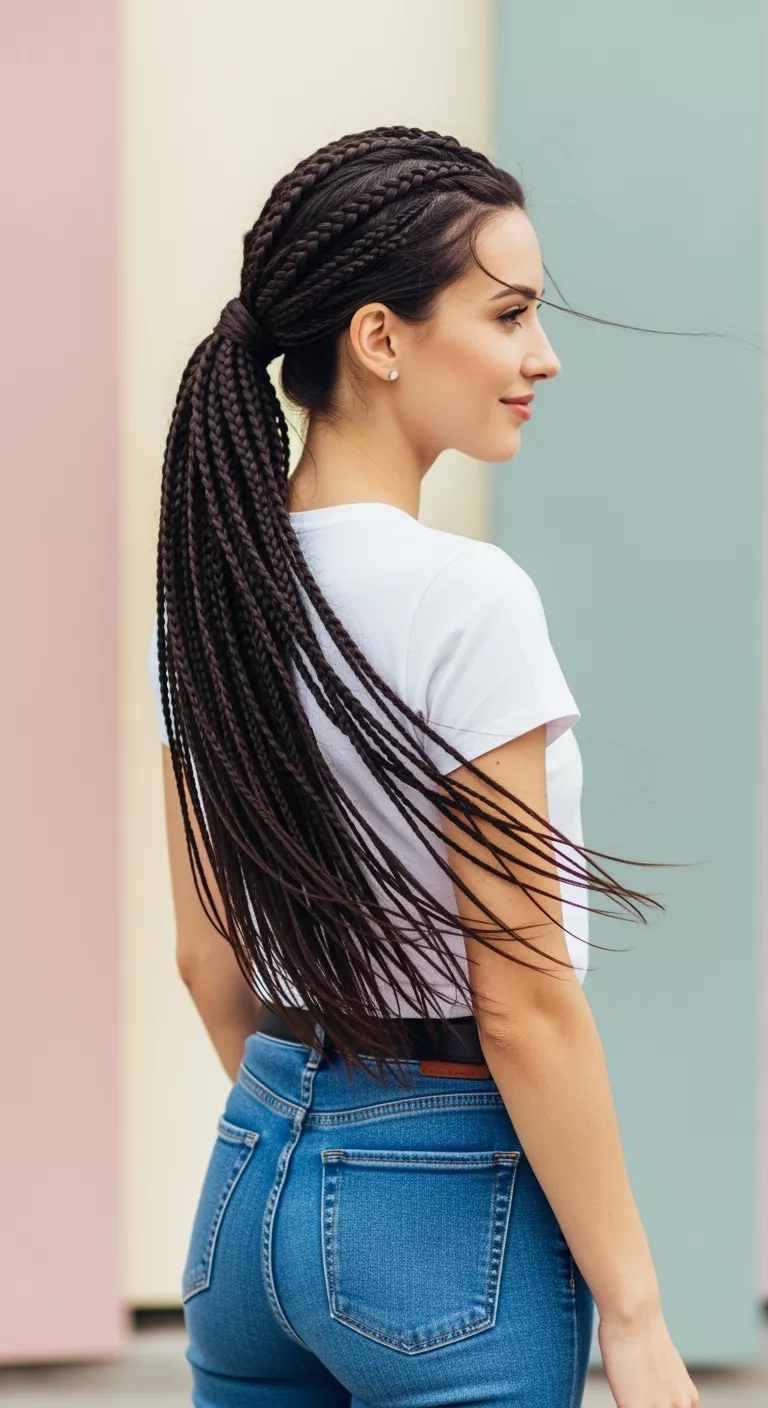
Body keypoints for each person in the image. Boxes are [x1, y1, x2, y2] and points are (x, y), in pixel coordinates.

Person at [147, 125, 698, 1407]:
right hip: (444, 1215)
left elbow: (205, 953)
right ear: (381, 339)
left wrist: (322, 1136)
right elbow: (521, 1001)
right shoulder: (464, 597)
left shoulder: (213, 591)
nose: (541, 357)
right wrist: (640, 1313)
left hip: (249, 1185)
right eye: (507, 317)